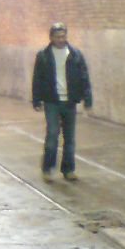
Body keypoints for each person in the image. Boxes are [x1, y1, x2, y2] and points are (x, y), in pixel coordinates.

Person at [31, 22, 92, 181]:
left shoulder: (75, 54)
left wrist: (88, 99)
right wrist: (36, 100)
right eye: (57, 37)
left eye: (63, 36)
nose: (61, 39)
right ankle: (47, 169)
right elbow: (37, 79)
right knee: (52, 134)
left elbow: (84, 77)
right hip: (52, 101)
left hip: (69, 101)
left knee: (70, 138)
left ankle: (68, 170)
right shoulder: (43, 55)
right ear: (51, 37)